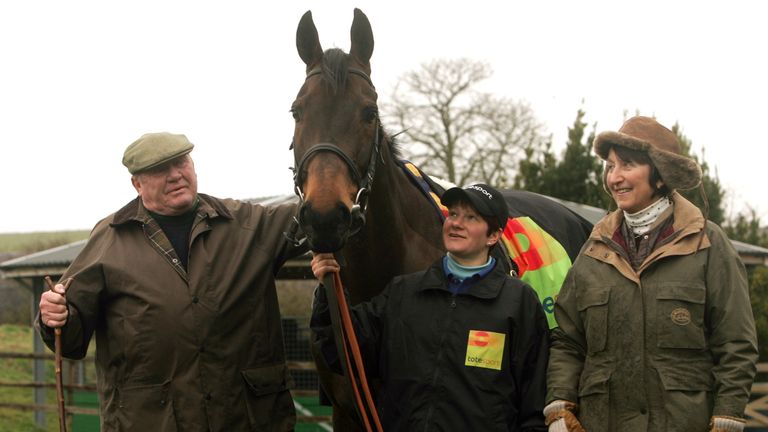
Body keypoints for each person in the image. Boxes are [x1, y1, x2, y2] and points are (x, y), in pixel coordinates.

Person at [37, 132, 305, 431]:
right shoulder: (109, 239)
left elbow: (320, 216)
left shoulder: (247, 225)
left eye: (182, 162)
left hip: (248, 419)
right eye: (160, 169)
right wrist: (56, 316)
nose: (176, 175)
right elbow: (69, 333)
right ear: (137, 184)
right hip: (151, 421)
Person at [545, 116, 758, 432]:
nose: (614, 177)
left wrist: (728, 416)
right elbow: (567, 340)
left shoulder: (707, 243)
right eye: (610, 166)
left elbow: (735, 343)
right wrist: (559, 407)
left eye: (627, 165)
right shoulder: (594, 249)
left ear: (660, 176)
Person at [311, 183, 550, 431]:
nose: (456, 223)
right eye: (453, 214)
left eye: (471, 217)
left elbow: (534, 400)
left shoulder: (518, 302)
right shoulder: (403, 292)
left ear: (493, 236)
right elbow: (344, 351)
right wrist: (327, 291)